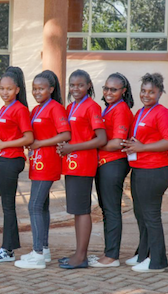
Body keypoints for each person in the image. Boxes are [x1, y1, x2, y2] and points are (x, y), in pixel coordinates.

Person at [122, 73, 168, 273]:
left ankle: (158, 260)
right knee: (141, 214)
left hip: (155, 169)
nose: (146, 95)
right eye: (143, 91)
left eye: (151, 92)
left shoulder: (163, 113)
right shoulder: (140, 113)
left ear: (160, 93)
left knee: (151, 215)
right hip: (140, 168)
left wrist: (142, 148)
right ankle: (143, 253)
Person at [15, 70, 70, 270]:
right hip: (37, 162)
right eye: (34, 89)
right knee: (42, 206)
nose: (37, 92)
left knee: (34, 206)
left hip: (47, 162)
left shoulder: (55, 108)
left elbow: (65, 134)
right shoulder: (36, 110)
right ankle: (44, 250)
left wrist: (40, 144)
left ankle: (37, 253)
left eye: (41, 88)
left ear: (51, 89)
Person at [0, 67, 33, 263]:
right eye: (2, 88)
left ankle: (8, 250)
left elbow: (28, 138)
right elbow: (9, 134)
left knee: (8, 206)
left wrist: (3, 144)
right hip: (2, 158)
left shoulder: (20, 109)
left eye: (9, 89)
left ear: (17, 89)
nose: (4, 92)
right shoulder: (4, 108)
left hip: (12, 160)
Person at [57, 70, 106, 269]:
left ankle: (81, 256)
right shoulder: (70, 107)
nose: (75, 89)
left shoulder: (92, 107)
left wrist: (71, 147)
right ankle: (78, 252)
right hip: (71, 163)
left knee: (82, 210)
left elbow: (101, 139)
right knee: (76, 211)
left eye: (80, 85)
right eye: (72, 85)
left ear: (89, 86)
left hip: (83, 163)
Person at [90, 73, 134, 269]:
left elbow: (117, 143)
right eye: (106, 88)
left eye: (113, 89)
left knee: (111, 209)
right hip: (105, 164)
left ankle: (112, 256)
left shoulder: (121, 110)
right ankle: (108, 252)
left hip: (114, 164)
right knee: (107, 209)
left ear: (123, 91)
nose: (108, 92)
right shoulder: (109, 108)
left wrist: (94, 146)